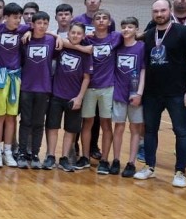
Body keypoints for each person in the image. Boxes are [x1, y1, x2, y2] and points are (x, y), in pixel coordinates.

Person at [133, 0, 186, 187]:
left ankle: (180, 172)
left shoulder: (184, 32)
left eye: (162, 10)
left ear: (170, 11)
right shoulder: (148, 35)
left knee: (181, 131)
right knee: (150, 131)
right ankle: (149, 167)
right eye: (156, 11)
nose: (159, 14)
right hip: (152, 92)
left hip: (177, 93)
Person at [66, 9, 120, 172]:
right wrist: (83, 48)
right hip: (89, 87)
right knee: (87, 123)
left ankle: (104, 160)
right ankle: (85, 157)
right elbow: (65, 41)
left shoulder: (116, 37)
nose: (101, 20)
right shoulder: (87, 39)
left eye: (104, 18)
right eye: (98, 18)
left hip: (108, 87)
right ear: (93, 22)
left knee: (105, 124)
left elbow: (134, 36)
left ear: (109, 22)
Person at [0, 3, 30, 167]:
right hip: (0, 76)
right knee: (0, 115)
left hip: (15, 77)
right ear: (6, 17)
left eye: (20, 17)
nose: (18, 20)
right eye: (15, 17)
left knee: (11, 117)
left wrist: (30, 31)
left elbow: (41, 29)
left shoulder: (22, 30)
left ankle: (8, 151)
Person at [45, 22, 92, 172]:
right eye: (73, 33)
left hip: (74, 98)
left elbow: (86, 78)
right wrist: (56, 35)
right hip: (56, 95)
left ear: (83, 36)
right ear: (68, 34)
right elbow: (47, 35)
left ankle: (64, 158)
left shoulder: (86, 54)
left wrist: (79, 98)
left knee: (70, 129)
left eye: (79, 33)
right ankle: (50, 156)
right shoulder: (61, 47)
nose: (75, 35)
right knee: (52, 126)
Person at [18, 12, 57, 169]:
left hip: (44, 87)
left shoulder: (51, 40)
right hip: (27, 87)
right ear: (32, 25)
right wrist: (28, 31)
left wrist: (57, 36)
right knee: (25, 121)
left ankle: (35, 154)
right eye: (39, 23)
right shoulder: (25, 40)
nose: (42, 26)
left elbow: (64, 44)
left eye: (45, 23)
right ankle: (22, 153)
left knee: (38, 123)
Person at [110, 17, 145, 178]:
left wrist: (139, 93)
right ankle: (116, 160)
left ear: (136, 30)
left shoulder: (141, 47)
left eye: (130, 27)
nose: (126, 30)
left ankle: (131, 162)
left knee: (135, 128)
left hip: (135, 93)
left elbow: (144, 70)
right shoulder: (118, 47)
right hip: (119, 93)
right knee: (118, 127)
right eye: (123, 27)